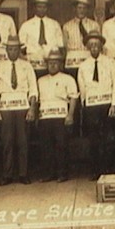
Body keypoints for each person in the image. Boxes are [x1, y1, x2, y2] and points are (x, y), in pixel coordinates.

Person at [0, 35, 38, 185]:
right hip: (5, 106)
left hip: (22, 106)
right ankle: (7, 174)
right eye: (10, 49)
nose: (12, 52)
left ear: (19, 50)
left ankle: (23, 174)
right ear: (6, 50)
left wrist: (32, 109)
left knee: (23, 142)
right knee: (7, 142)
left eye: (15, 49)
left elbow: (33, 90)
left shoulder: (27, 66)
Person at [77, 30, 115, 180]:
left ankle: (109, 168)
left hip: (107, 104)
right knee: (93, 139)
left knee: (109, 138)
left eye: (97, 44)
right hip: (92, 106)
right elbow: (82, 87)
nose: (94, 47)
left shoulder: (110, 62)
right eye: (91, 45)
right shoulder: (83, 66)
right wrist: (85, 106)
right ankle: (95, 170)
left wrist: (114, 104)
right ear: (88, 47)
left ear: (101, 46)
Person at [37, 49, 79, 182]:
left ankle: (62, 173)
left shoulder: (68, 79)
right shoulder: (41, 80)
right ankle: (49, 173)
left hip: (61, 115)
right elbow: (37, 100)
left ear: (61, 64)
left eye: (56, 62)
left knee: (61, 145)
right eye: (50, 63)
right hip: (45, 116)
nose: (53, 65)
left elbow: (73, 98)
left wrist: (70, 115)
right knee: (46, 146)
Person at [19, 0, 64, 74]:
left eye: (44, 7)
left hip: (50, 63)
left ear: (47, 8)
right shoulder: (26, 25)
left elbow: (60, 45)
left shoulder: (54, 24)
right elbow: (22, 47)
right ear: (35, 8)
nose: (42, 9)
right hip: (32, 62)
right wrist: (31, 51)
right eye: (39, 7)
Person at [62, 0, 100, 73]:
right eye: (79, 8)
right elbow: (64, 46)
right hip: (72, 61)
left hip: (89, 58)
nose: (81, 11)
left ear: (87, 10)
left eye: (84, 8)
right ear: (75, 9)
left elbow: (98, 45)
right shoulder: (67, 26)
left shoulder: (94, 25)